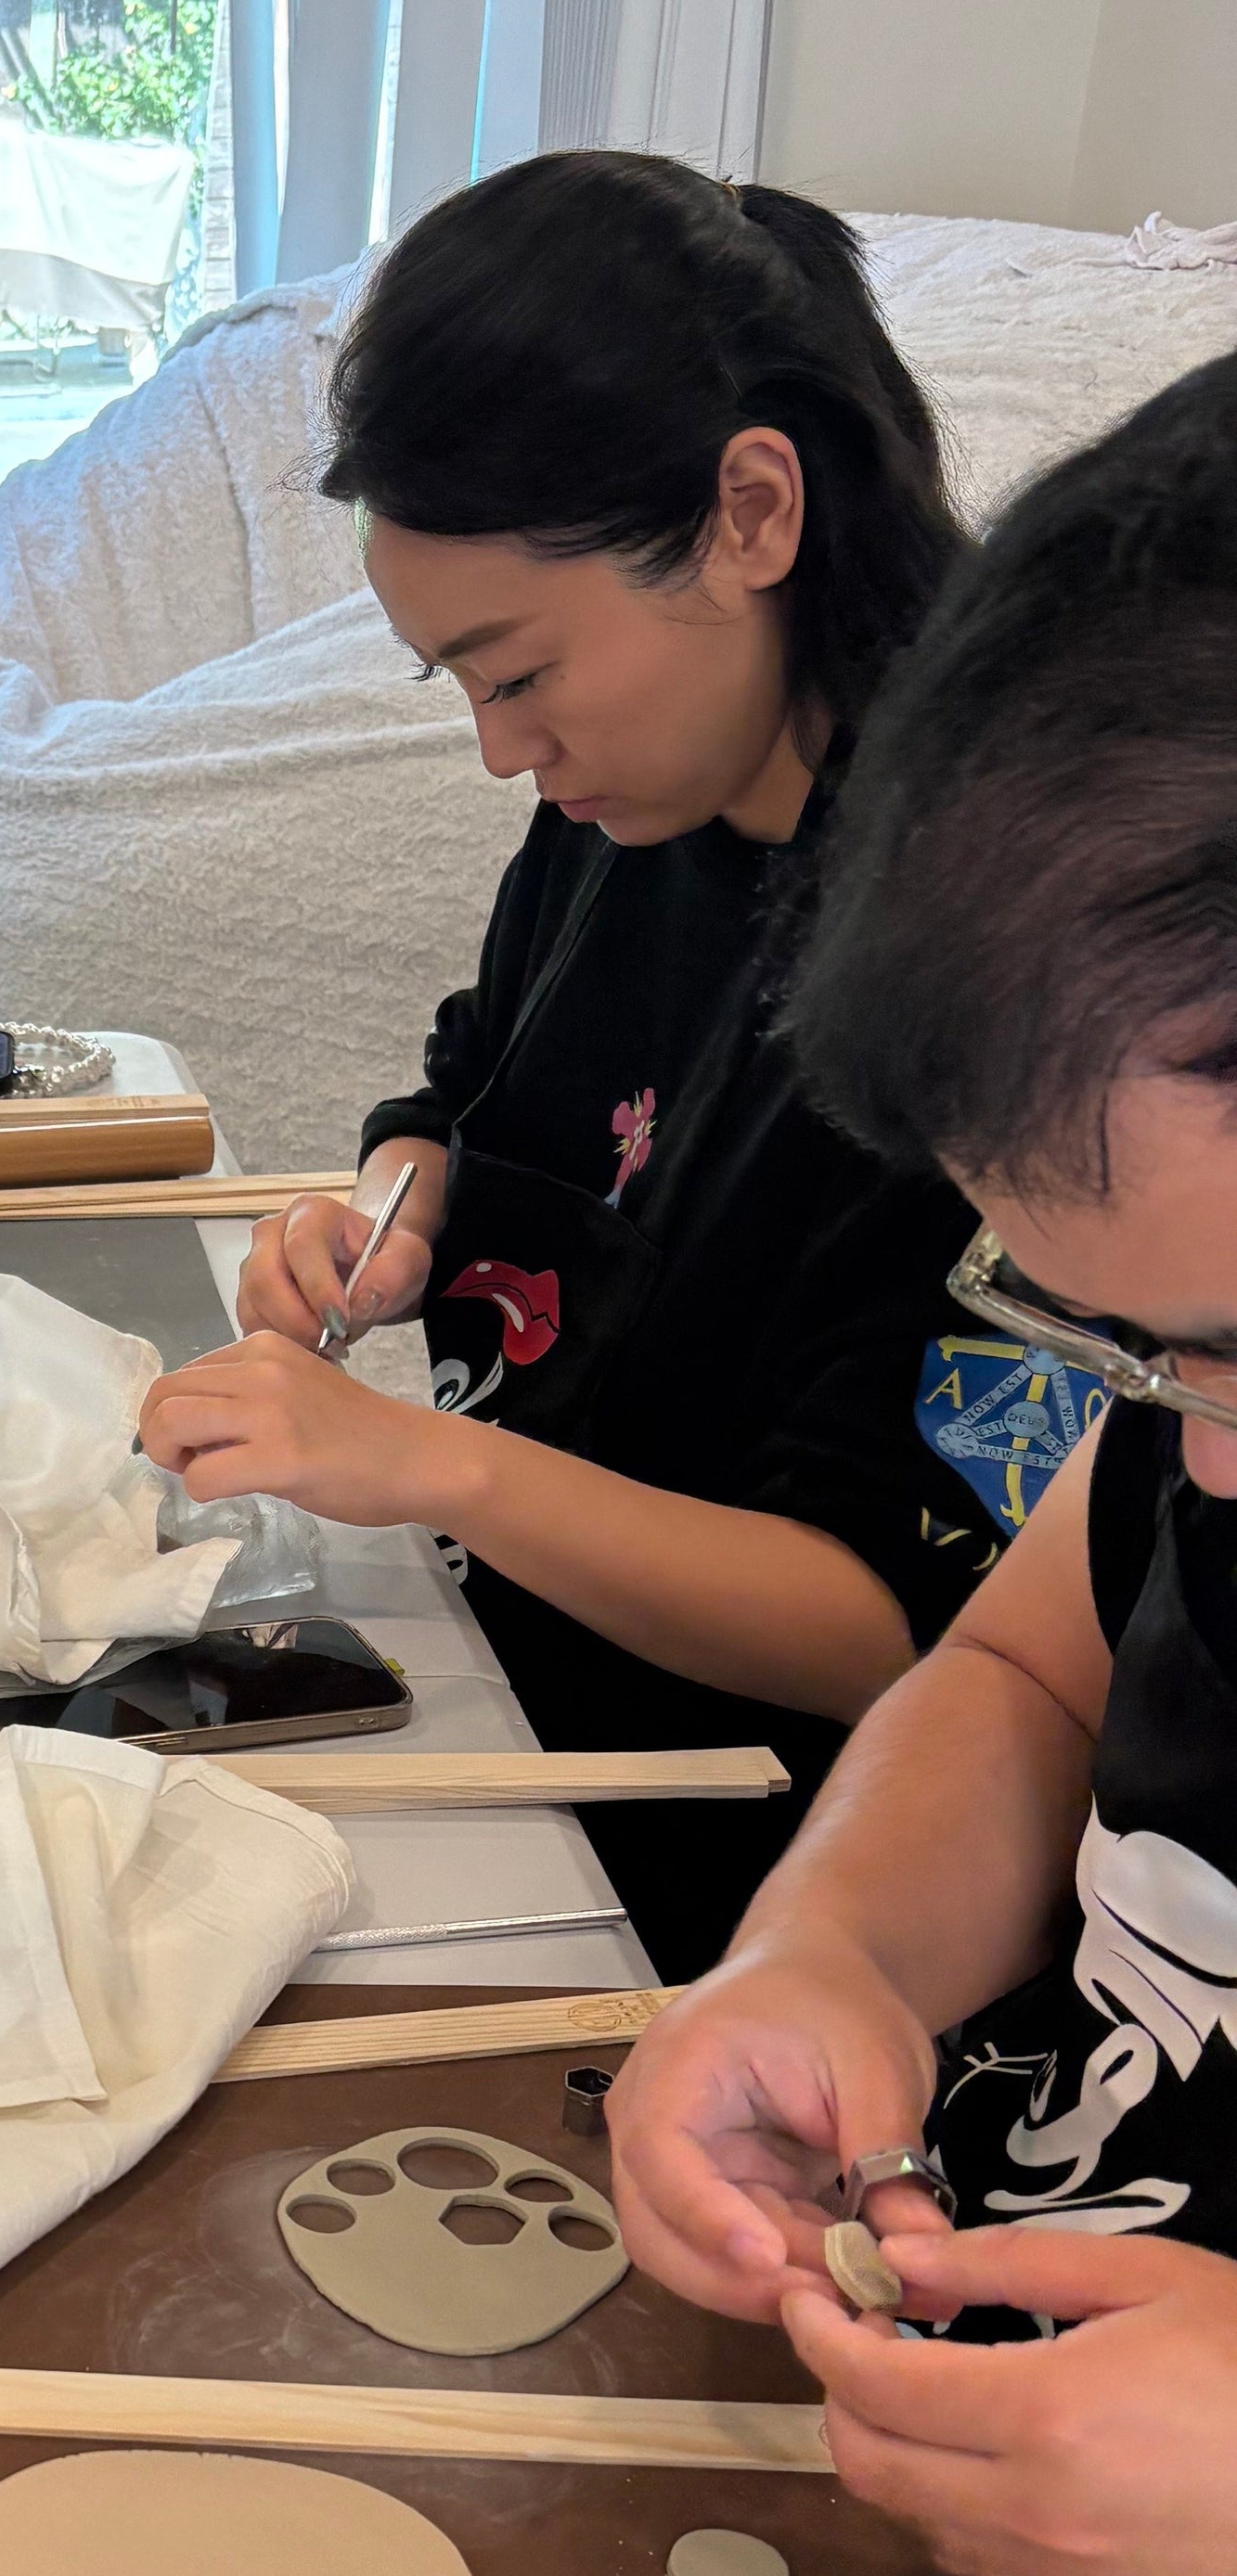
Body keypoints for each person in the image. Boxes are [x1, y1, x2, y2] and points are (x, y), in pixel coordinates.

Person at [137, 153, 1041, 1980]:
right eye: (455, 687)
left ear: (751, 512)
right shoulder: (633, 805)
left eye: (518, 671)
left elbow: (891, 1617)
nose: (499, 751)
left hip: (744, 1872)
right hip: (490, 1685)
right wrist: (396, 1215)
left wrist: (425, 1467)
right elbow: (473, 1091)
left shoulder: (995, 946)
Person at [607, 352, 1237, 2576]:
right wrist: (829, 1952)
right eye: (1154, 1362)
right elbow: (1021, 1676)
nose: (1212, 1457)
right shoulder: (1199, 1432)